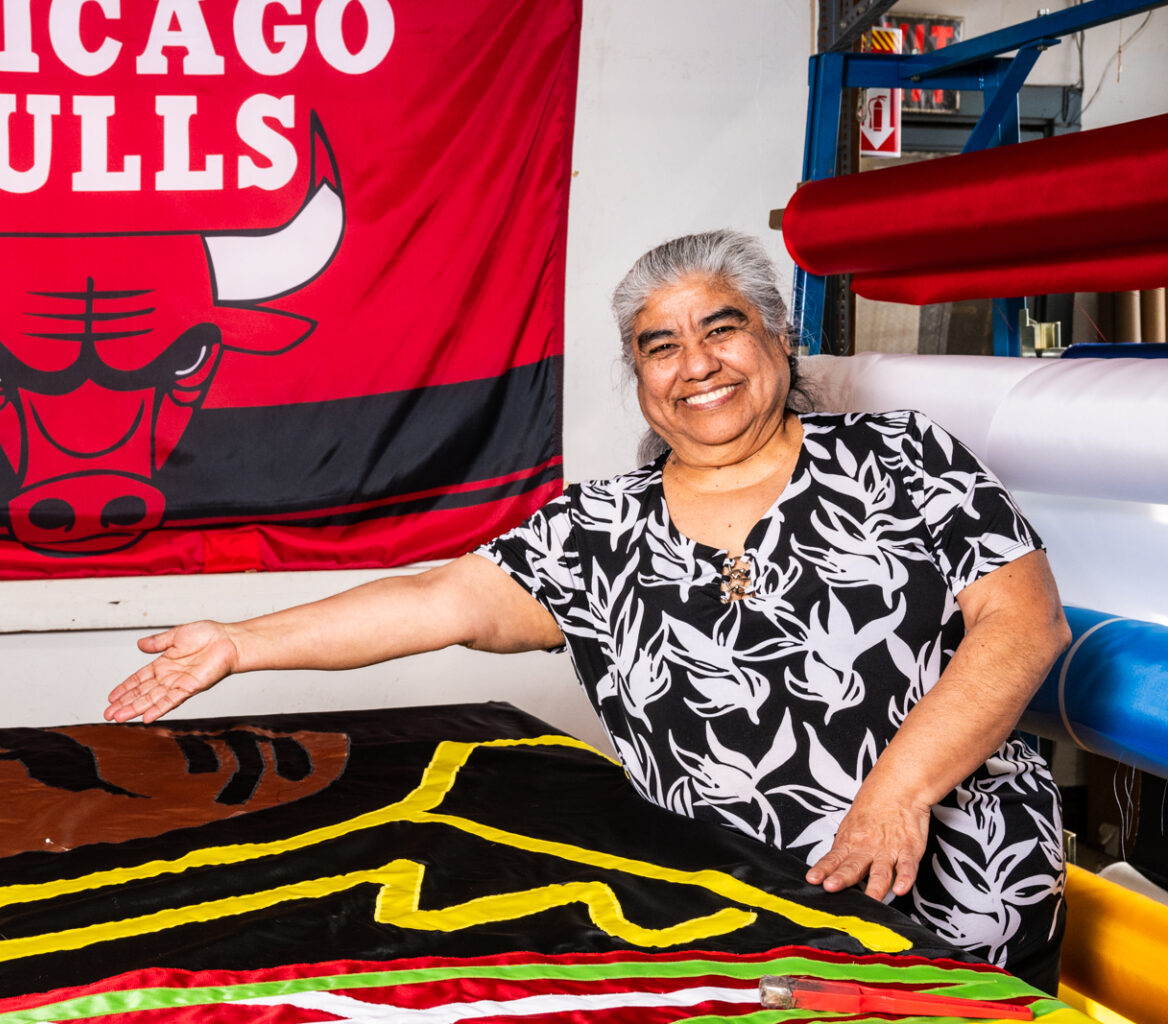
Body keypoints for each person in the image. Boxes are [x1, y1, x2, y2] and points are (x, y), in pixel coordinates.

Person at [104, 230, 1071, 989]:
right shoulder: (596, 527)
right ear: (639, 379)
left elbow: (1023, 625)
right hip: (732, 934)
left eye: (722, 327)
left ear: (778, 337)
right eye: (661, 345)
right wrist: (239, 643)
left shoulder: (902, 458)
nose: (697, 364)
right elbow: (439, 598)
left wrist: (894, 800)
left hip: (953, 904)